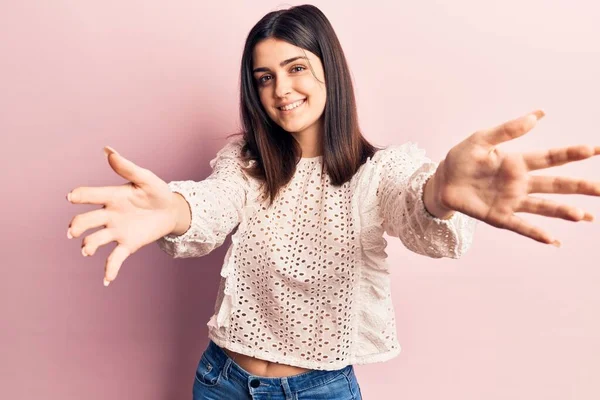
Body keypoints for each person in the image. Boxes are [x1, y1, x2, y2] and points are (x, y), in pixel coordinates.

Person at [66, 4, 600, 399]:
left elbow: (412, 201)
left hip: (320, 391)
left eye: (296, 68)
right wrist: (174, 211)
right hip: (220, 382)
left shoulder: (377, 172)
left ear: (329, 69)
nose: (281, 90)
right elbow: (212, 202)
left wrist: (441, 193)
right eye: (264, 78)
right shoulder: (245, 164)